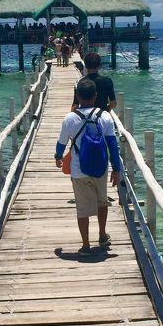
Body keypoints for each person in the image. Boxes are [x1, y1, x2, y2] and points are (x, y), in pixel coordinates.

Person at [55, 78, 121, 254]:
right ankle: (101, 235)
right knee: (102, 202)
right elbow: (113, 145)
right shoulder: (105, 116)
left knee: (83, 208)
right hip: (100, 167)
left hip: (79, 169)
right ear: (96, 96)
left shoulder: (70, 118)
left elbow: (61, 143)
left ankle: (85, 245)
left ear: (77, 96)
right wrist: (116, 169)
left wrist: (58, 157)